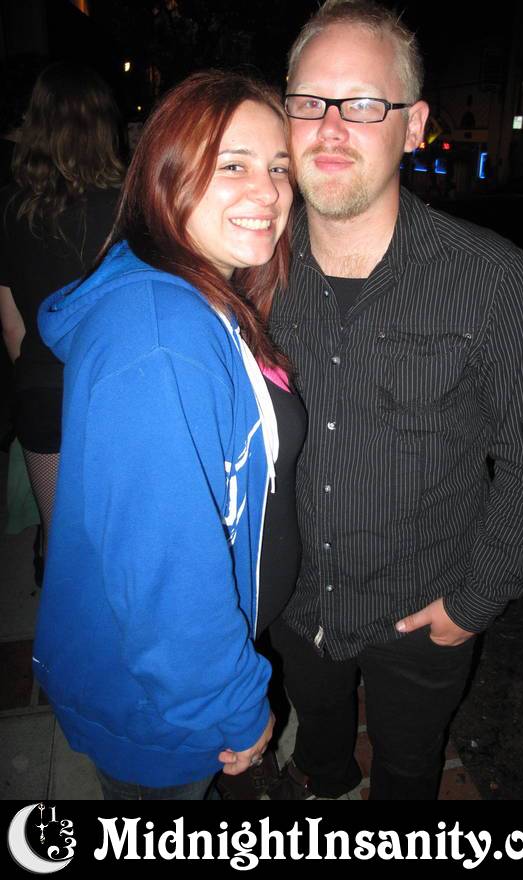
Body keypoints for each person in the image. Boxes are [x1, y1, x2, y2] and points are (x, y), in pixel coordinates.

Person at [268, 0, 523, 801]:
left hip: (423, 612)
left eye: (365, 103)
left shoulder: (495, 282)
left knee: (407, 771)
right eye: (310, 101)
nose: (332, 127)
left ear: (414, 126)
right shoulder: (252, 267)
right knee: (319, 745)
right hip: (294, 601)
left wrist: (472, 604)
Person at [32, 70, 302, 800]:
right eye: (234, 165)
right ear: (166, 173)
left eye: (279, 167)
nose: (269, 191)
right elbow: (164, 569)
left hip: (167, 685)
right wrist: (233, 707)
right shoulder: (161, 337)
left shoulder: (193, 294)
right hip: (163, 701)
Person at [0, 62, 123, 564]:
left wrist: (34, 377)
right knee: (115, 535)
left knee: (60, 540)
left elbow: (12, 323)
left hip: (43, 392)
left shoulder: (9, 208)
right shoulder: (127, 206)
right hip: (113, 393)